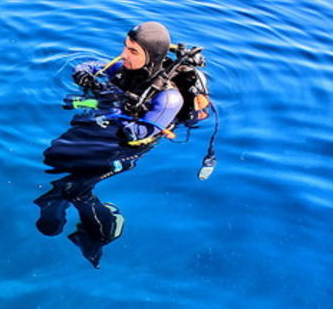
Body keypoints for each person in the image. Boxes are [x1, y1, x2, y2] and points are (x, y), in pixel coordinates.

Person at [35, 22, 214, 268]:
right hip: (102, 132)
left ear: (151, 56)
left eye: (133, 51)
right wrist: (86, 77)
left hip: (126, 149)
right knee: (53, 157)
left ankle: (106, 229)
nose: (123, 55)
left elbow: (137, 134)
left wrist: (110, 102)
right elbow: (85, 66)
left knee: (74, 188)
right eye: (125, 47)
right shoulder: (122, 69)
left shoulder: (168, 98)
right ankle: (55, 200)